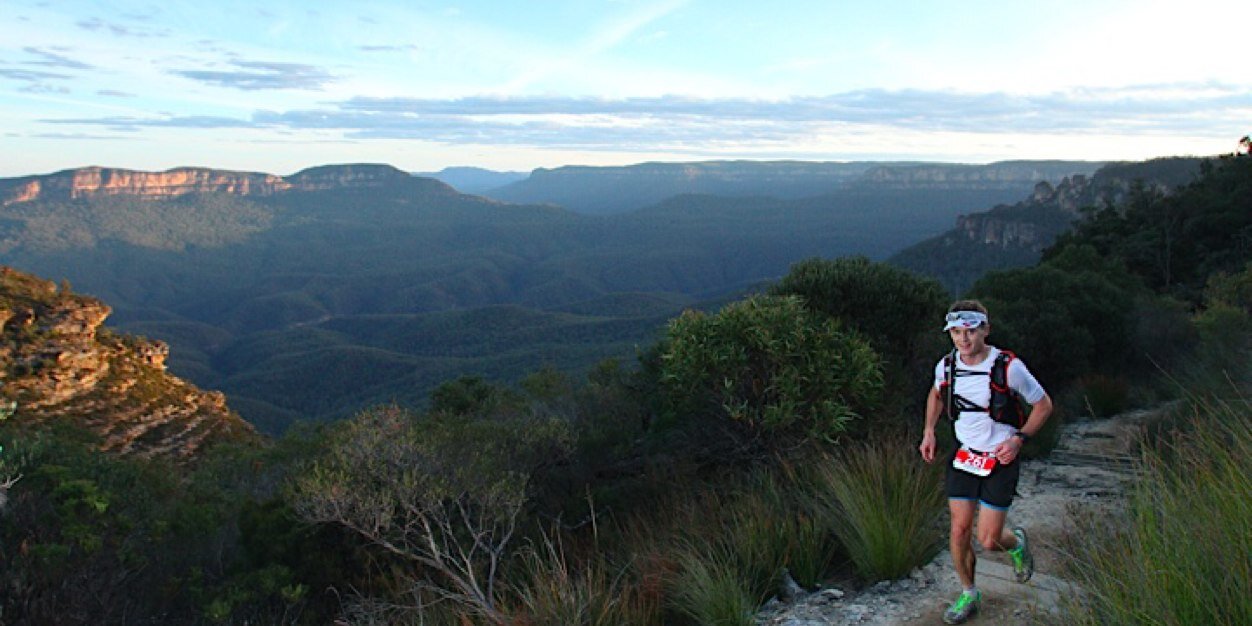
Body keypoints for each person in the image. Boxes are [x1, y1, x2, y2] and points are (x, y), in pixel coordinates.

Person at [918, 300, 1053, 625]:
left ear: (985, 330)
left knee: (989, 540)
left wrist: (1019, 440)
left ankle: (1016, 543)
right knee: (959, 529)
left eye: (970, 331)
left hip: (1000, 458)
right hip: (965, 455)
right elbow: (936, 394)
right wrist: (929, 431)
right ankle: (969, 592)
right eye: (956, 332)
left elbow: (1043, 405)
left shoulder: (1009, 367)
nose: (963, 339)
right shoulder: (947, 366)